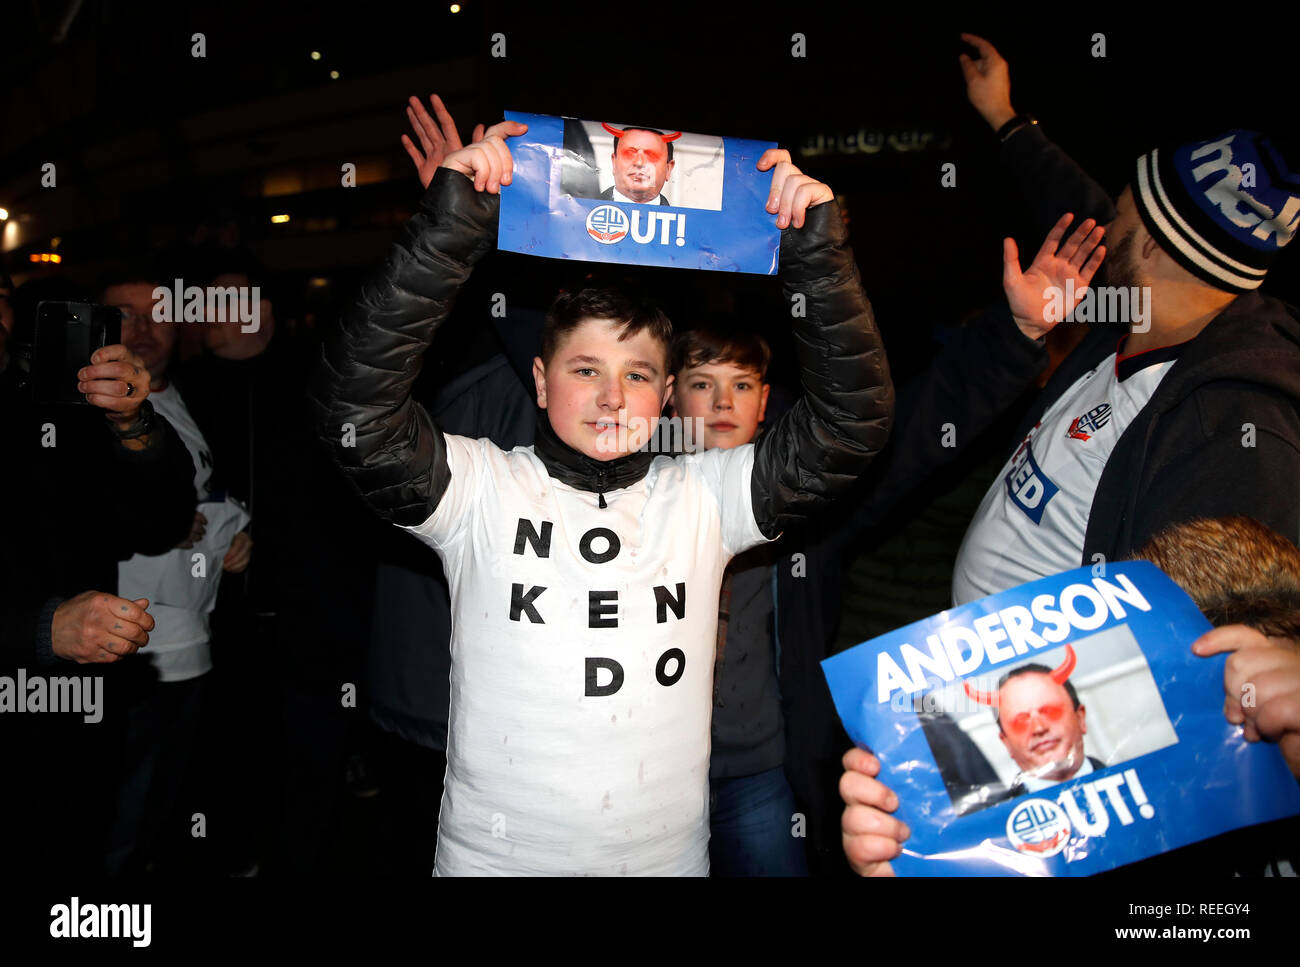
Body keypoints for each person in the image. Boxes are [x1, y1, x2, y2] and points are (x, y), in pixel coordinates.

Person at [313, 118, 894, 875]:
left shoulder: (707, 495)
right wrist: (451, 227)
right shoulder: (480, 488)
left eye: (640, 374)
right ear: (539, 381)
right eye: (586, 369)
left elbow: (852, 423)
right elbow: (353, 414)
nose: (613, 396)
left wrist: (816, 253)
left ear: (663, 394)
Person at [947, 34, 1300, 605]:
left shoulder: (1229, 427)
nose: (1106, 225)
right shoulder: (1132, 313)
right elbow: (1074, 201)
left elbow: (1212, 635)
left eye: (1122, 210)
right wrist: (1004, 117)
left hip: (1050, 690)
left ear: (1156, 249)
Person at [667, 325, 809, 875]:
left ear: (765, 401)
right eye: (704, 384)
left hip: (755, 771)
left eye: (742, 386)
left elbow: (902, 429)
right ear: (670, 397)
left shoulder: (798, 500)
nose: (724, 402)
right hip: (649, 773)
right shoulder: (630, 497)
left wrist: (1012, 338)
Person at [600, 125, 676, 205]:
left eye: (651, 155)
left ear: (668, 169)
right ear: (614, 162)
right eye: (629, 154)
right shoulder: (586, 210)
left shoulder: (688, 216)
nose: (639, 162)